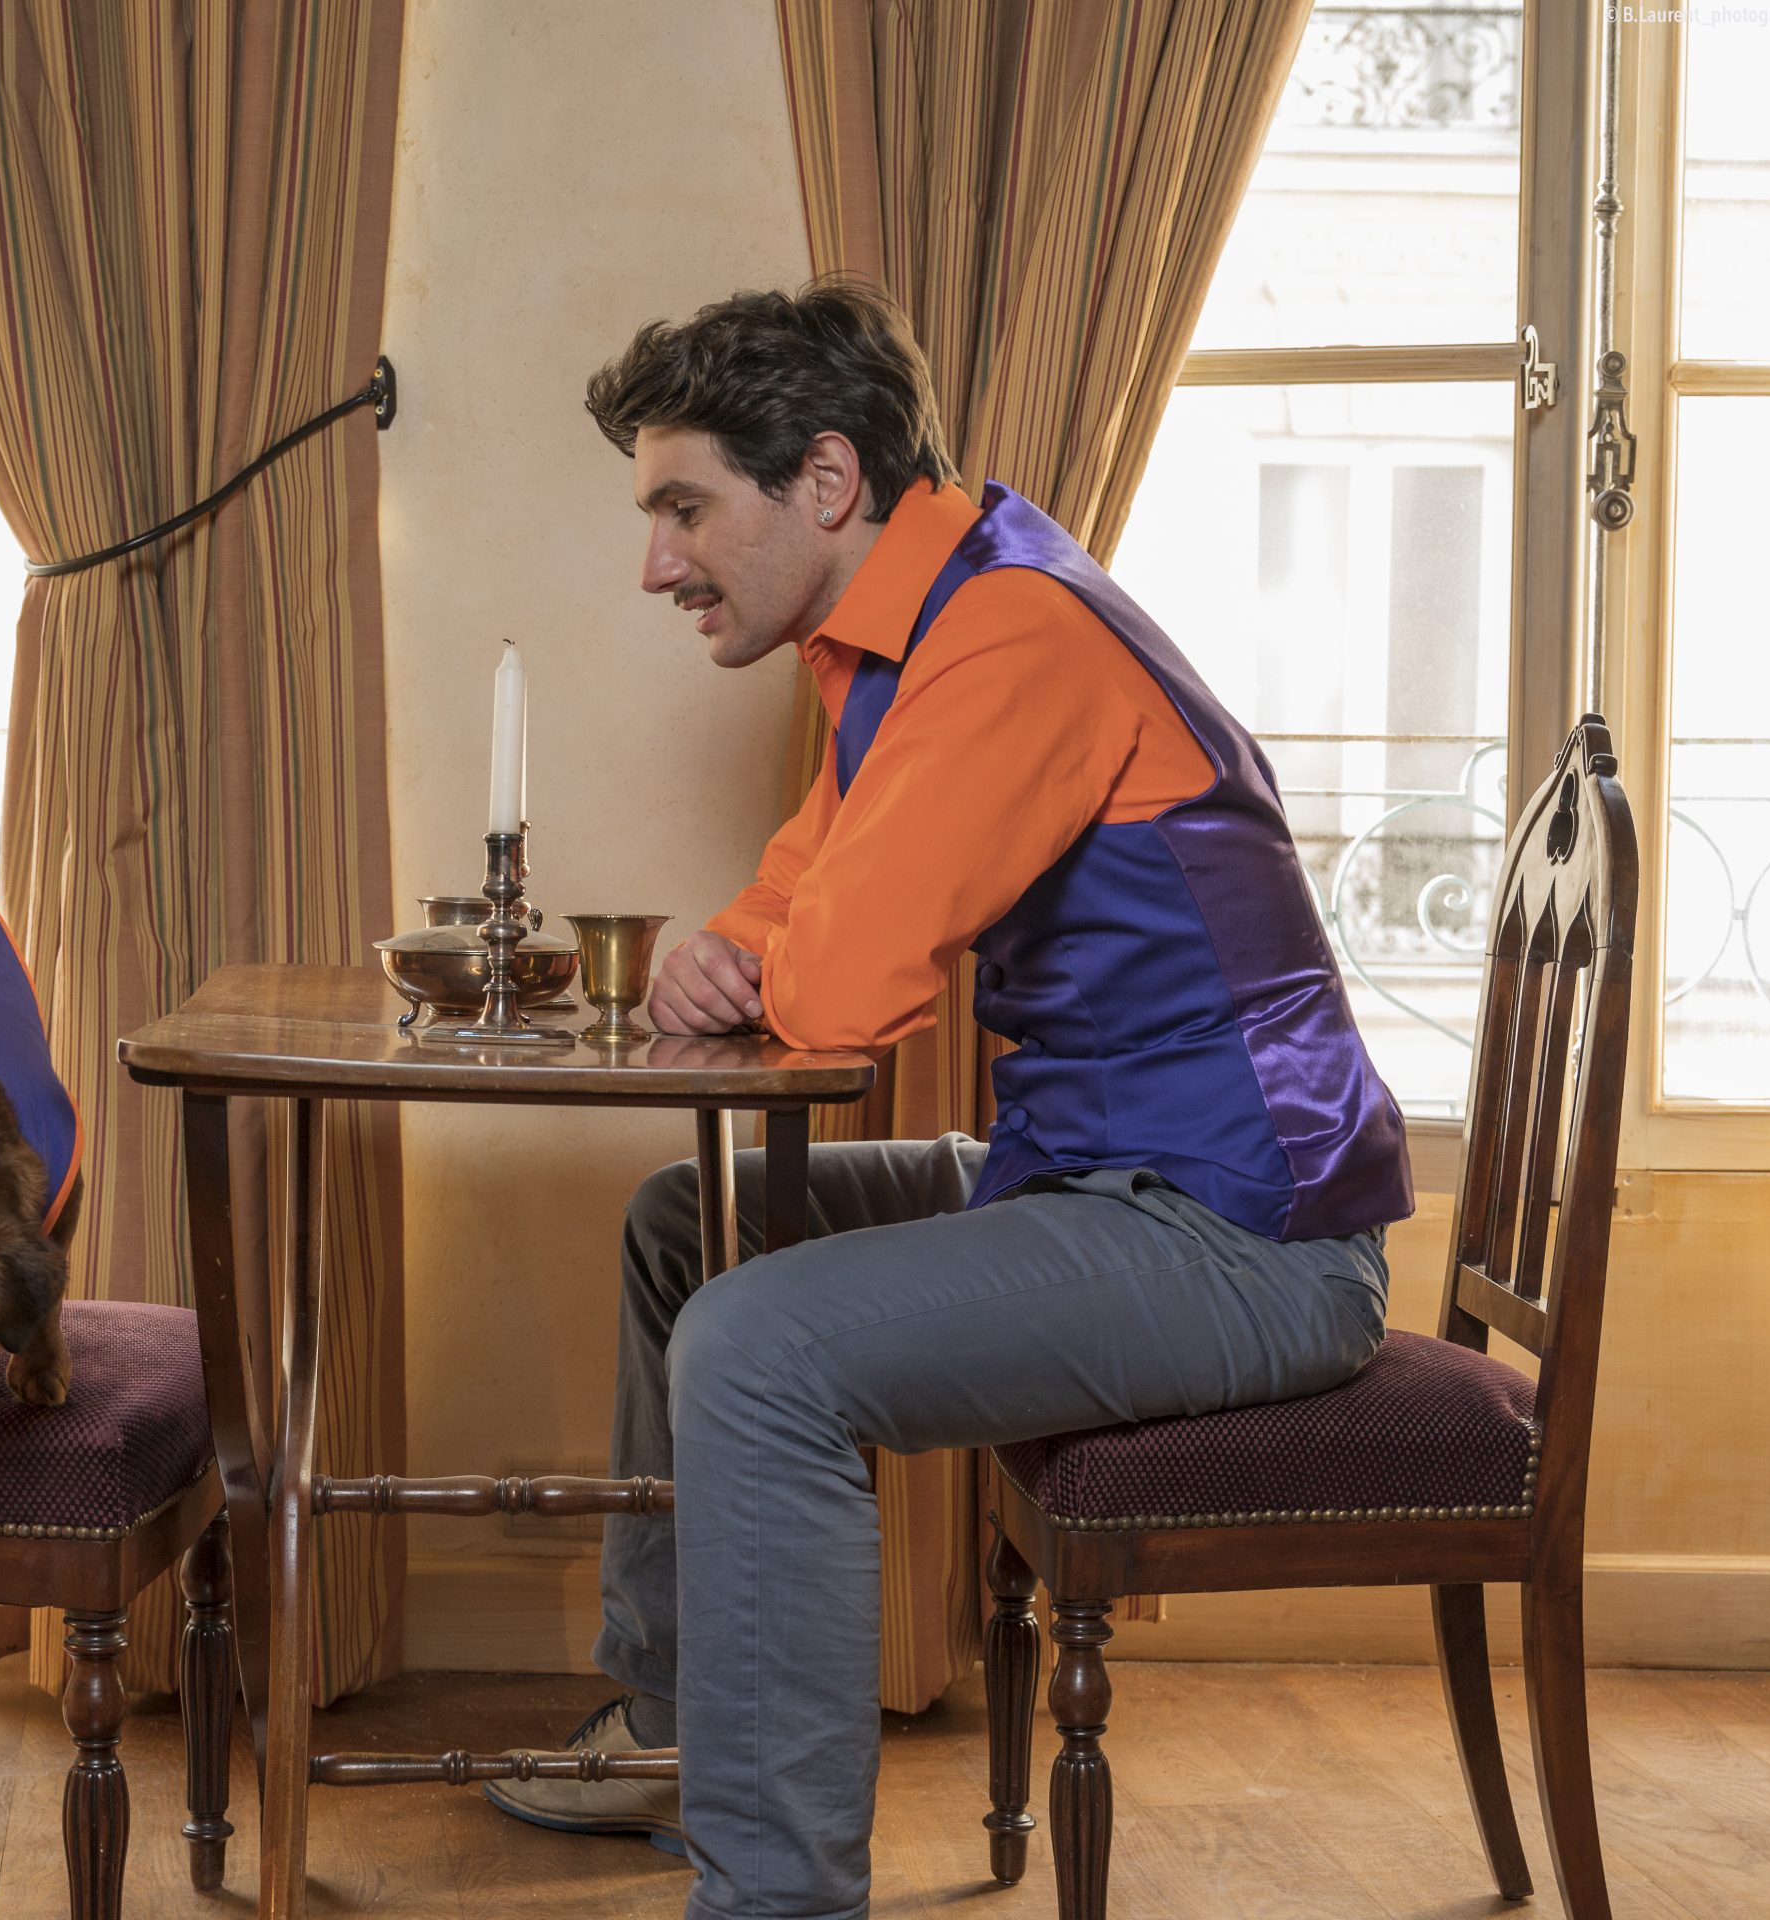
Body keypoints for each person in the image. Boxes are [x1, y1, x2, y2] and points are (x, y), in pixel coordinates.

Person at [482, 281, 1413, 1920]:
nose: (656, 563)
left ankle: (774, 1898)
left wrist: (762, 958)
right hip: (1094, 1179)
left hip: (1242, 1238)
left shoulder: (1010, 635)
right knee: (689, 1226)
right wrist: (742, 950)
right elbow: (796, 895)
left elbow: (843, 991)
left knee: (757, 1347)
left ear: (826, 480)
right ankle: (677, 1729)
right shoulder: (903, 634)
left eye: (683, 508)